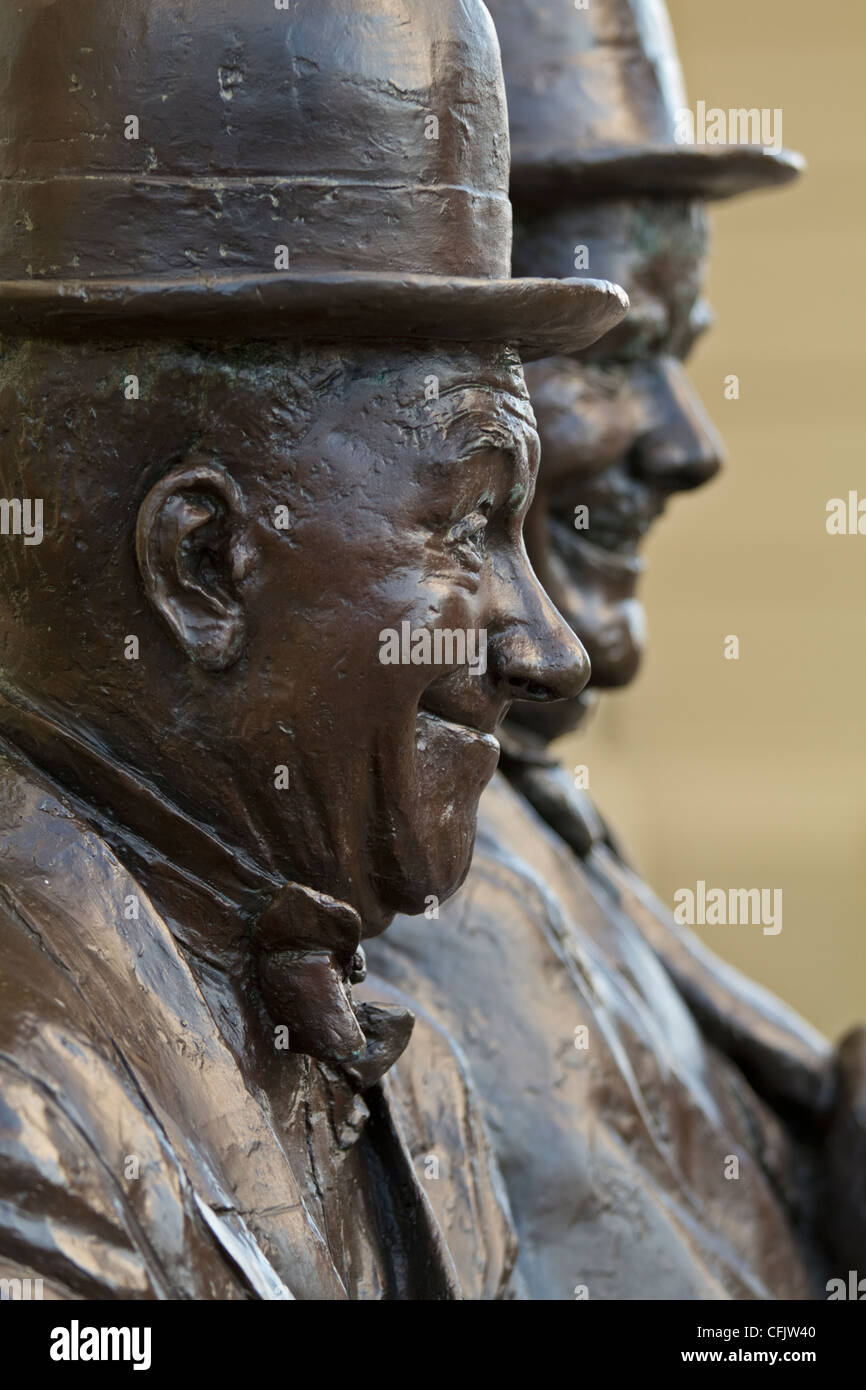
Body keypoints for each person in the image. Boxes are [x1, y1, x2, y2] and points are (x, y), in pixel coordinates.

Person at [0, 0, 627, 1299]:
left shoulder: (408, 1068)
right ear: (203, 565)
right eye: (467, 528)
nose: (550, 650)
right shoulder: (29, 1117)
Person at [370, 0, 865, 1299]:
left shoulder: (519, 809)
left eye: (682, 357)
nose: (688, 445)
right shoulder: (355, 874)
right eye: (617, 352)